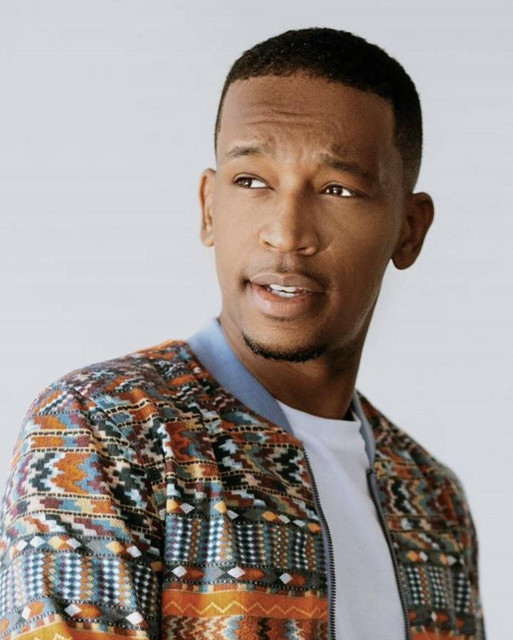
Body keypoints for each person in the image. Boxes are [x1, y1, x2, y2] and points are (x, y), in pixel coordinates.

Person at [0, 27, 485, 640]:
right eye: (251, 181)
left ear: (409, 230)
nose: (286, 233)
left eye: (338, 189)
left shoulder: (431, 500)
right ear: (209, 207)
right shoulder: (106, 426)